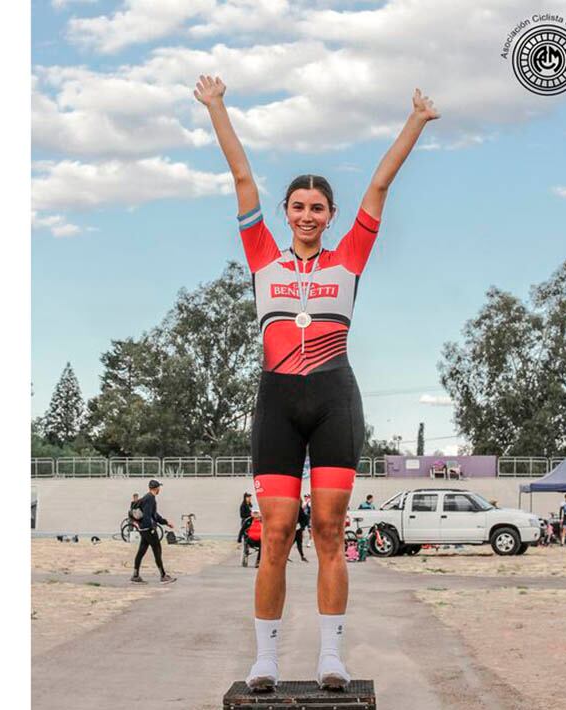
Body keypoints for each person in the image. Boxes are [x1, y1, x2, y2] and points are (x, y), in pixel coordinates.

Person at [195, 73, 439, 691]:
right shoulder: (262, 256)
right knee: (275, 532)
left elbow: (380, 183)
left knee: (330, 529)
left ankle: (332, 655)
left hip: (333, 398)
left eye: (317, 208)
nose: (307, 215)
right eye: (298, 207)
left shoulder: (349, 258)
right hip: (277, 399)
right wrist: (218, 106)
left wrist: (415, 121)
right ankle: (266, 659)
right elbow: (242, 178)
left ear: (330, 216)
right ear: (286, 214)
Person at [130, 480, 177, 584]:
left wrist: (165, 522)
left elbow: (154, 514)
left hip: (143, 529)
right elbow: (149, 515)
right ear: (157, 488)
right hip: (148, 529)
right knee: (157, 550)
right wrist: (151, 527)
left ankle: (135, 575)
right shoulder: (150, 498)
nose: (160, 489)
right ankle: (163, 576)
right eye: (159, 487)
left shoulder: (147, 497)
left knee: (141, 551)